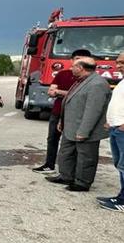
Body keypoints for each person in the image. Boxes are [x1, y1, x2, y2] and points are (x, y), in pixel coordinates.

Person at [45, 57, 111, 192]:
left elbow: (93, 110)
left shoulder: (97, 84)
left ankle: (82, 182)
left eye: (74, 66)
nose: (71, 68)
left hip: (84, 128)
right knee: (66, 152)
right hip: (70, 125)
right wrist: (61, 121)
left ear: (81, 68)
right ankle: (66, 176)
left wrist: (84, 131)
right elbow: (69, 102)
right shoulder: (81, 81)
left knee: (86, 156)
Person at [32, 49, 93, 172]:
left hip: (76, 114)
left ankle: (71, 169)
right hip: (58, 111)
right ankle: (49, 164)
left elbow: (81, 95)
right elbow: (51, 91)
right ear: (71, 60)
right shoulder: (62, 74)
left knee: (72, 142)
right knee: (52, 138)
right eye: (76, 59)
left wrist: (60, 92)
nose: (78, 62)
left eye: (82, 60)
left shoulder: (88, 79)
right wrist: (62, 93)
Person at [99, 52, 124, 212]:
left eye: (122, 62)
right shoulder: (122, 82)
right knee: (120, 165)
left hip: (122, 129)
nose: (118, 65)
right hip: (116, 129)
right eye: (118, 62)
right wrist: (111, 121)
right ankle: (121, 196)